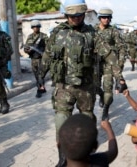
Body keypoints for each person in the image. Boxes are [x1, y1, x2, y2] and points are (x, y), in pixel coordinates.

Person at [40, 0, 97, 166]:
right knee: (61, 121)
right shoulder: (57, 33)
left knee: (87, 121)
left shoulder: (91, 34)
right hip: (63, 87)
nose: (76, 19)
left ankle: (87, 154)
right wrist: (41, 78)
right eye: (72, 16)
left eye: (79, 15)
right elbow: (47, 55)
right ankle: (63, 157)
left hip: (85, 87)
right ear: (66, 15)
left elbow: (105, 55)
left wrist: (117, 76)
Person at [94, 7, 127, 121]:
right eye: (103, 17)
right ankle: (101, 96)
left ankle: (106, 109)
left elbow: (122, 47)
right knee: (95, 86)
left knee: (108, 88)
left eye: (108, 18)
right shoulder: (93, 30)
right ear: (99, 18)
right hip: (96, 64)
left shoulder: (113, 31)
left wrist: (120, 63)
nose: (106, 20)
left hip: (109, 64)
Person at [24, 20, 48, 98]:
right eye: (34, 27)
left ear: (39, 27)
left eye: (37, 26)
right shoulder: (30, 37)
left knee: (41, 75)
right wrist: (28, 51)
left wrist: (45, 54)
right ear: (32, 28)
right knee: (36, 75)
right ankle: (42, 87)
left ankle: (39, 90)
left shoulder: (43, 36)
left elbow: (49, 47)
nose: (36, 28)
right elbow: (26, 47)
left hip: (42, 59)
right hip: (33, 59)